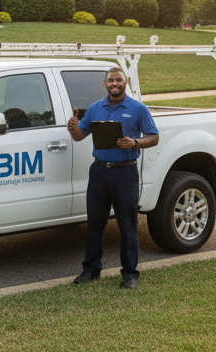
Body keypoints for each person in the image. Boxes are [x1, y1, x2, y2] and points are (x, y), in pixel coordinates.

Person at [66, 66, 159, 289]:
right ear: (105, 84)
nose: (114, 84)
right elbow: (80, 136)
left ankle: (129, 273)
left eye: (118, 80)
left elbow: (153, 137)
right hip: (98, 171)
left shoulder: (138, 109)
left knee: (127, 225)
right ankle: (91, 270)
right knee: (95, 224)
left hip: (125, 173)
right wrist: (72, 128)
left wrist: (135, 142)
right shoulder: (96, 108)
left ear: (125, 82)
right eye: (110, 80)